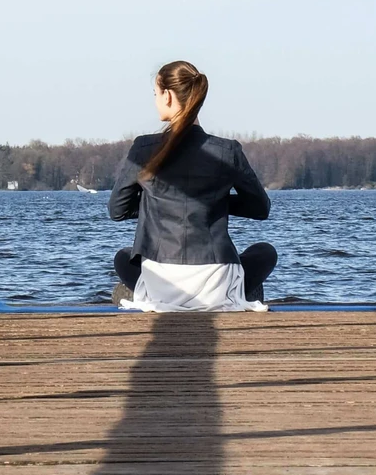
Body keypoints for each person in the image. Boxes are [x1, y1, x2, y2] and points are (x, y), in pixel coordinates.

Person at [109, 60, 277, 312]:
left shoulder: (143, 148)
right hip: (216, 282)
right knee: (265, 252)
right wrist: (212, 202)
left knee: (123, 258)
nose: (156, 100)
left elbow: (117, 210)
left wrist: (161, 202)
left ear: (167, 95)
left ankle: (149, 295)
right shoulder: (227, 150)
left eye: (155, 94)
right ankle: (236, 295)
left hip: (161, 280)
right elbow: (260, 208)